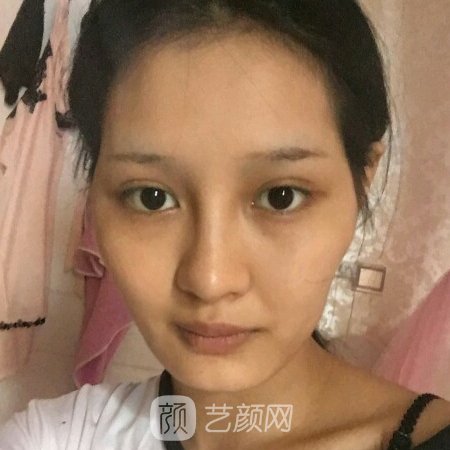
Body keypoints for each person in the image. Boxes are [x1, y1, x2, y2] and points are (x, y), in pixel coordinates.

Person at [1, 0, 449, 449]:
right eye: (151, 197)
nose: (210, 280)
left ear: (361, 185)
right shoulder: (53, 438)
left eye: (281, 196)